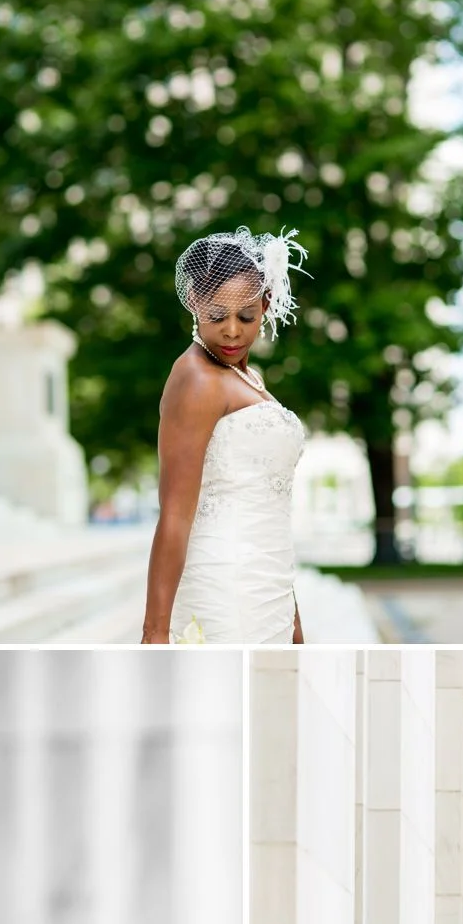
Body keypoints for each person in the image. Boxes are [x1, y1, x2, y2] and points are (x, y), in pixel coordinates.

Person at [142, 227, 309, 645]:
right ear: (195, 303)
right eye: (218, 315)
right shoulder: (196, 379)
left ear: (266, 305)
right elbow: (175, 513)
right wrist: (154, 632)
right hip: (224, 586)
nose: (232, 330)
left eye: (246, 316)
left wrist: (292, 611)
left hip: (268, 582)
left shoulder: (249, 377)